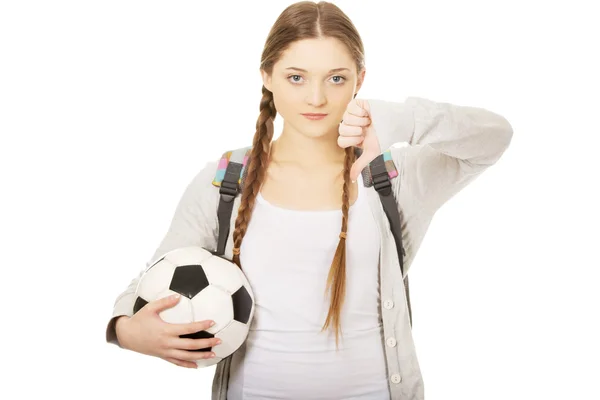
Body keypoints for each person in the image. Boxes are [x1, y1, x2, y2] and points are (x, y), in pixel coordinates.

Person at [105, 1, 513, 399]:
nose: (316, 98)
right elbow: (154, 276)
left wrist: (404, 121)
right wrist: (126, 330)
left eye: (336, 78)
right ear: (267, 76)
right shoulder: (224, 181)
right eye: (296, 77)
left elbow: (494, 137)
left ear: (360, 80)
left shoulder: (395, 178)